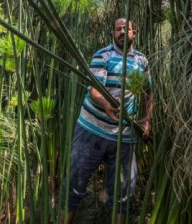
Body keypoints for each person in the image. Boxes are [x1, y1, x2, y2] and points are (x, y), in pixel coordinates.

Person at [59, 18, 152, 224]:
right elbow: (94, 91)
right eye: (117, 29)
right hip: (91, 129)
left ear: (133, 33)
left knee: (124, 189)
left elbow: (148, 92)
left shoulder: (141, 61)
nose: (121, 32)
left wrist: (146, 119)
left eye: (125, 29)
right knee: (75, 182)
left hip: (124, 135)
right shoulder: (103, 55)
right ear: (112, 33)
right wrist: (106, 103)